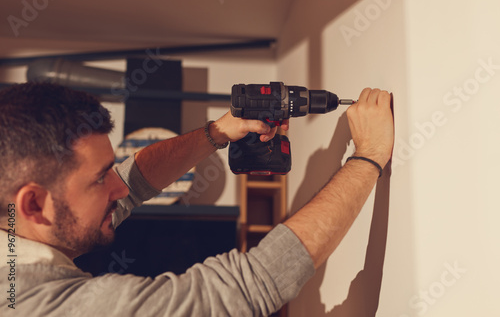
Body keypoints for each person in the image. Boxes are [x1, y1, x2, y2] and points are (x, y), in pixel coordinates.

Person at [0, 82, 394, 316]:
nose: (117, 190)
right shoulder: (37, 307)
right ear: (33, 204)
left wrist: (219, 131)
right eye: (100, 179)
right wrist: (367, 156)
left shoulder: (19, 238)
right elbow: (245, 289)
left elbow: (131, 180)